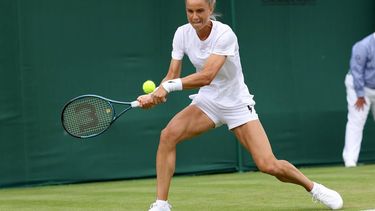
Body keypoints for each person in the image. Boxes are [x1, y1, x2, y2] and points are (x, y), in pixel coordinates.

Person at [137, 0, 343, 210]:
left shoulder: (225, 34)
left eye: (200, 11)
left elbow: (207, 75)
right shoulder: (182, 33)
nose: (194, 17)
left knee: (268, 164)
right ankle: (162, 204)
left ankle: (314, 188)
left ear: (211, 7)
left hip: (236, 103)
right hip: (208, 101)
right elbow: (172, 75)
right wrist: (154, 95)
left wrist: (168, 87)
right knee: (168, 135)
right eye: (190, 11)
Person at [343, 32, 375, 168]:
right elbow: (357, 72)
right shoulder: (363, 46)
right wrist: (360, 95)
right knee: (356, 122)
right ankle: (350, 161)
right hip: (358, 88)